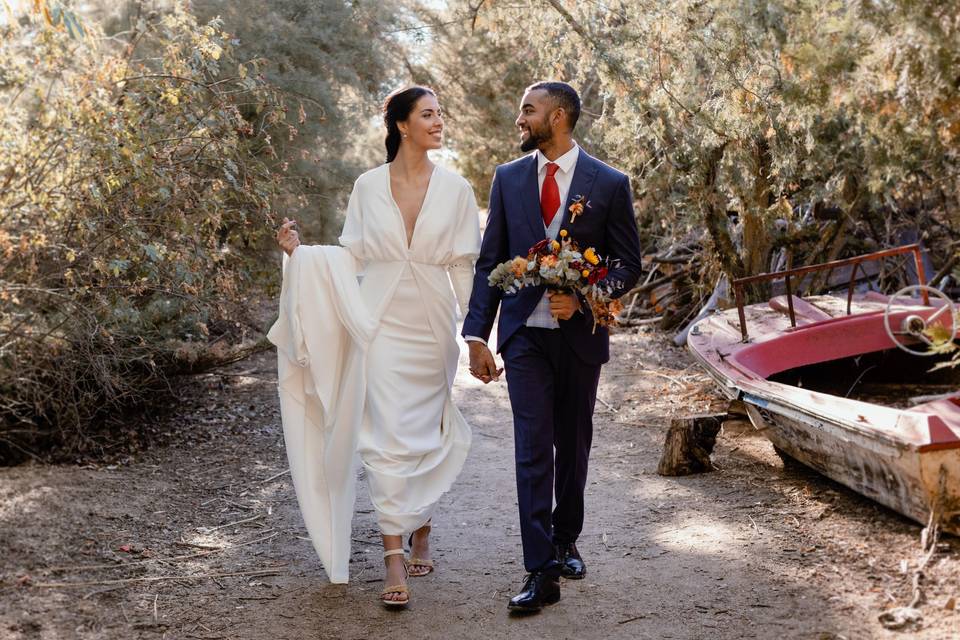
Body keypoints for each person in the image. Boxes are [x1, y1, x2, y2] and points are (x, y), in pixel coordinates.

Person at [270, 86, 480, 608]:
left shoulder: (457, 189)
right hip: (380, 320)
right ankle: (392, 553)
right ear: (402, 125)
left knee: (423, 430)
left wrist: (476, 338)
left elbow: (462, 267)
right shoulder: (367, 186)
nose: (438, 122)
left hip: (433, 322)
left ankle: (421, 526)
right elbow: (351, 259)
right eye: (428, 114)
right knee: (385, 433)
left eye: (440, 114)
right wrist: (300, 257)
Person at [462, 81, 642, 613]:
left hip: (581, 340)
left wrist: (586, 297)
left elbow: (627, 264)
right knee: (533, 447)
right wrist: (476, 336)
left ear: (558, 117)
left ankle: (566, 539)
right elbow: (489, 260)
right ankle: (540, 569)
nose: (520, 119)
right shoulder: (508, 179)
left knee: (573, 443)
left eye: (528, 110)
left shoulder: (609, 183)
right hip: (523, 341)